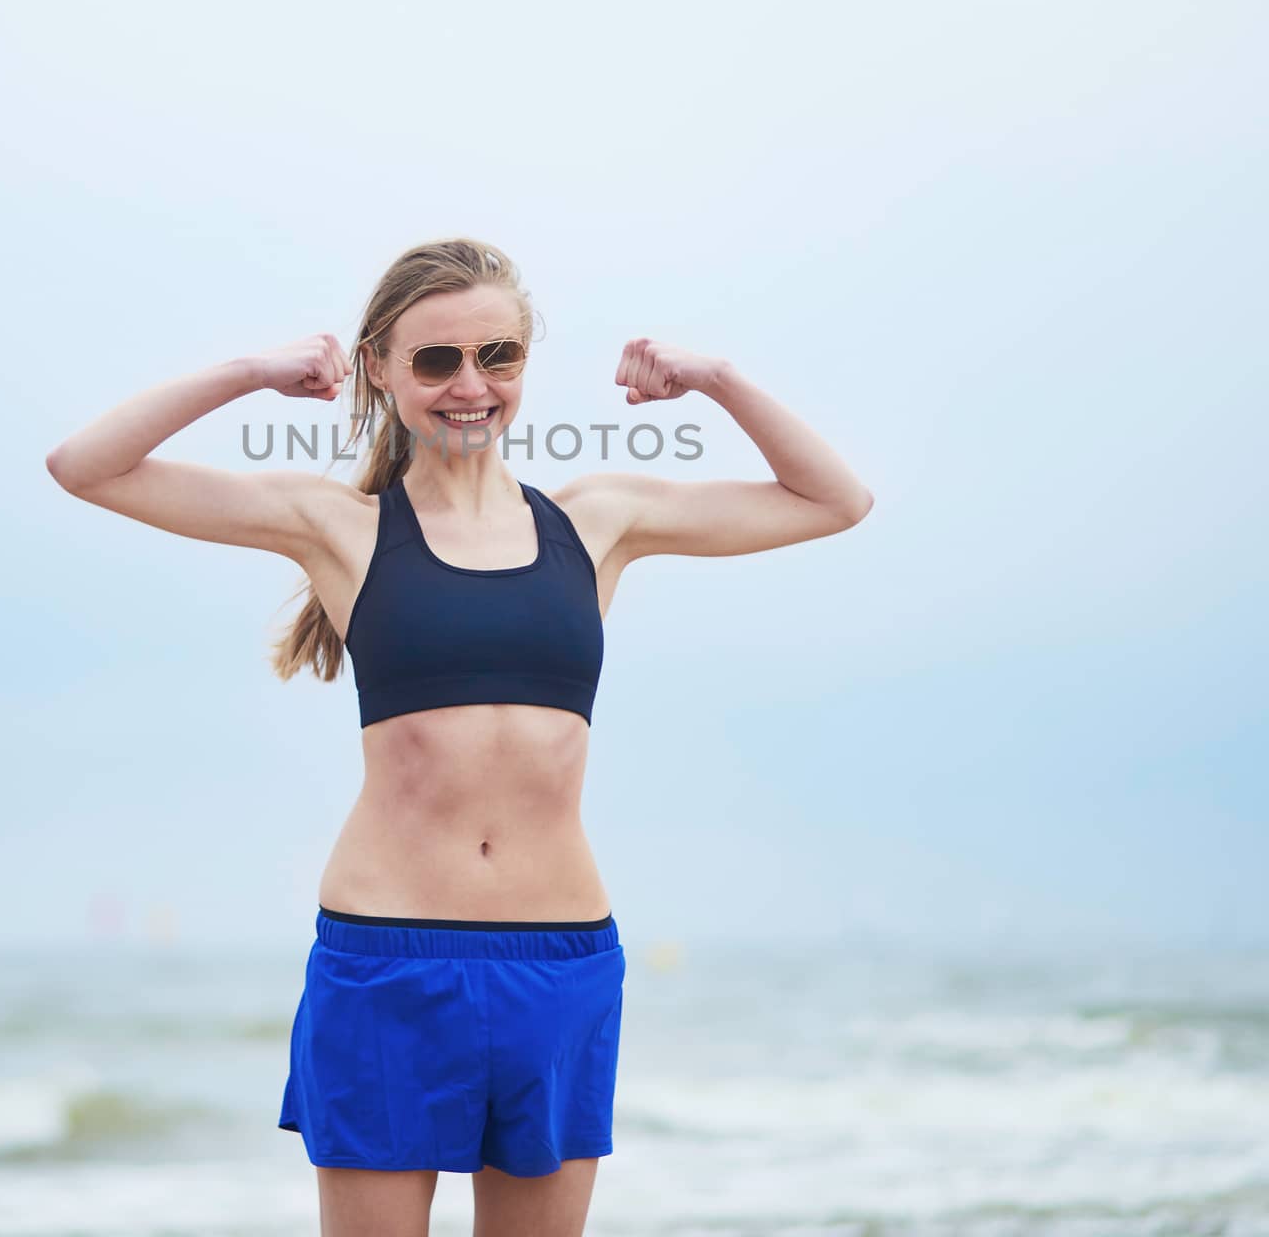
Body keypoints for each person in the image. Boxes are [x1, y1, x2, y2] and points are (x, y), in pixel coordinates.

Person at [45, 235, 874, 1237]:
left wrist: (717, 379)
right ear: (381, 371)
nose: (469, 386)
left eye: (499, 356)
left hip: (558, 962)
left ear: (525, 364)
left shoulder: (598, 520)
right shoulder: (339, 528)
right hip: (385, 960)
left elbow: (835, 500)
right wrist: (253, 373)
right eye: (435, 360)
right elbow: (84, 466)